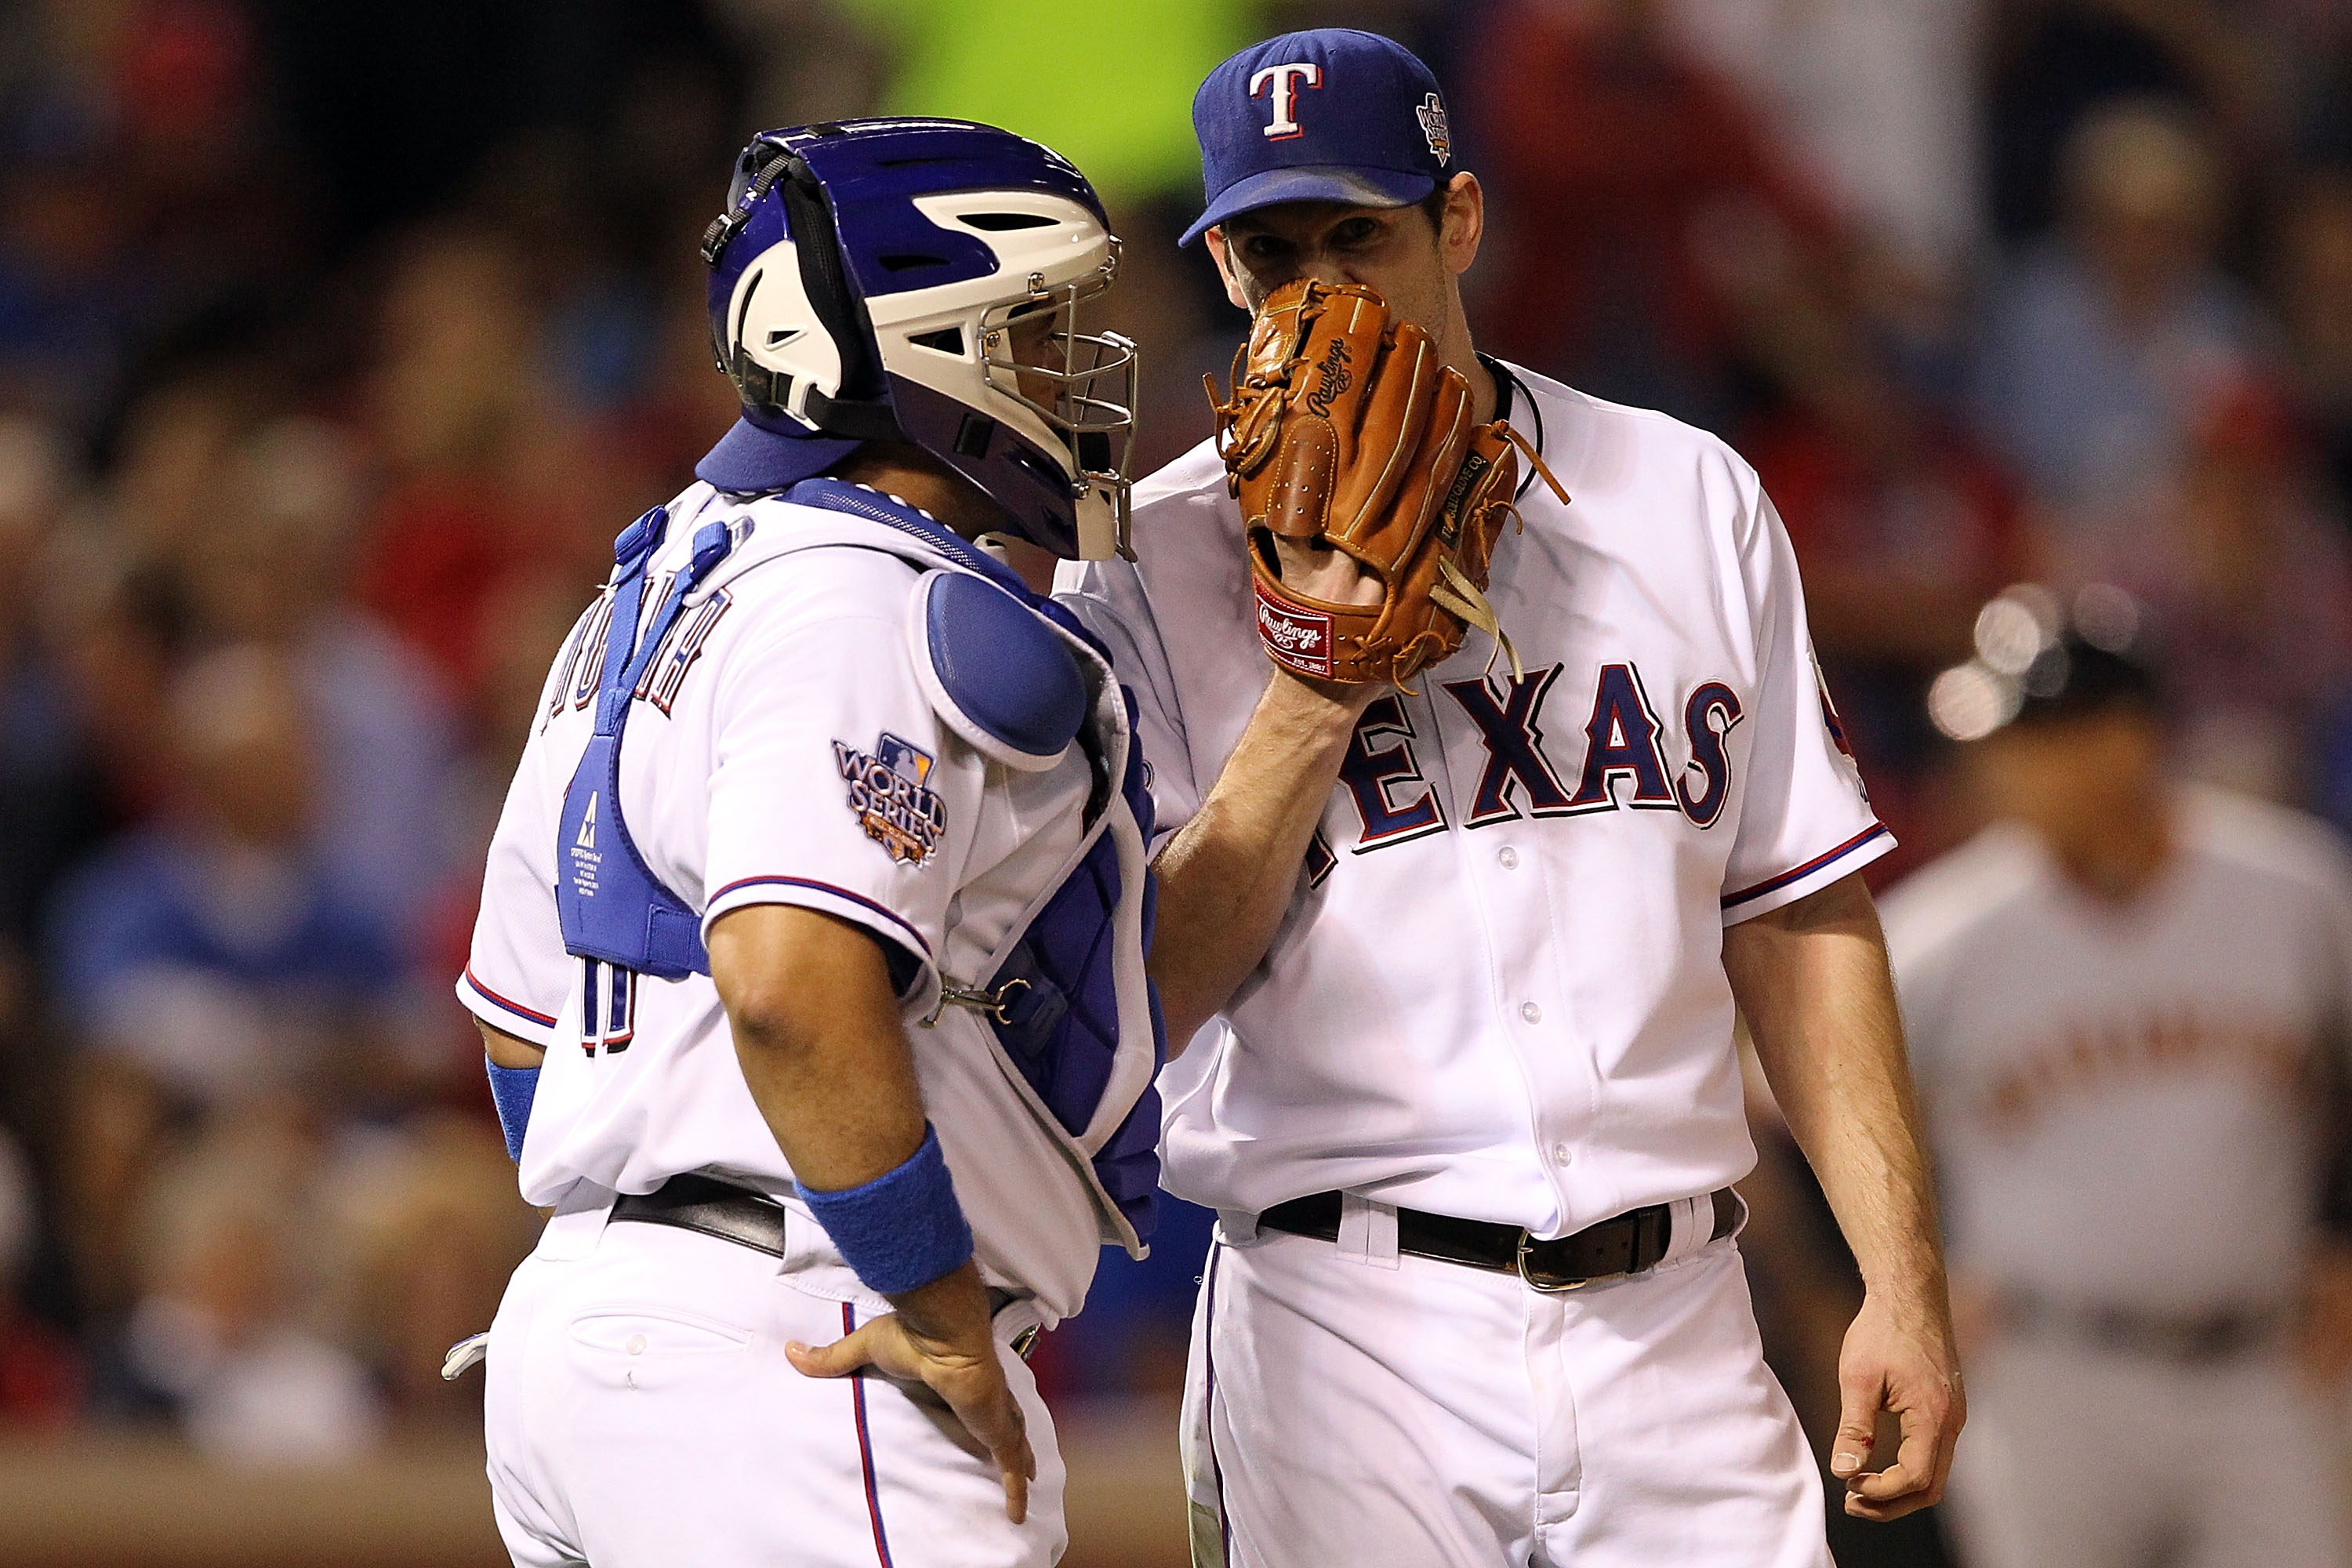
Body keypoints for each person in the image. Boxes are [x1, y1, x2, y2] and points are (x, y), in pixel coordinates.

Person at [1058, 29, 1962, 1566]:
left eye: (1362, 233)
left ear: (1458, 222)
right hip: (1342, 1328)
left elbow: (1800, 908)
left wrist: (1900, 1272)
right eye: (1275, 251)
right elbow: (1144, 993)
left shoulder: (1682, 496)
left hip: (1674, 1323)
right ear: (1220, 271)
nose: (1326, 287)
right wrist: (1316, 687)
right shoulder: (1145, 566)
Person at [455, 119, 1162, 1568]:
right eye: (1034, 322)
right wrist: (939, 1308)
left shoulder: (642, 596)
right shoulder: (855, 596)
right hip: (811, 1338)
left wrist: (646, 1222)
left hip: (583, 1329)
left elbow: (521, 1031)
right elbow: (786, 983)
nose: (1077, 360)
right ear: (925, 344)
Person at [1886, 593, 2352, 1568]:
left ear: (2132, 735)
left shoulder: (2296, 891)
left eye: (2042, 736)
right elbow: (1805, 1113)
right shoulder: (1937, 936)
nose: (2007, 766)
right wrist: (1899, 1277)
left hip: (2269, 1364)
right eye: (2001, 739)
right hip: (2050, 1374)